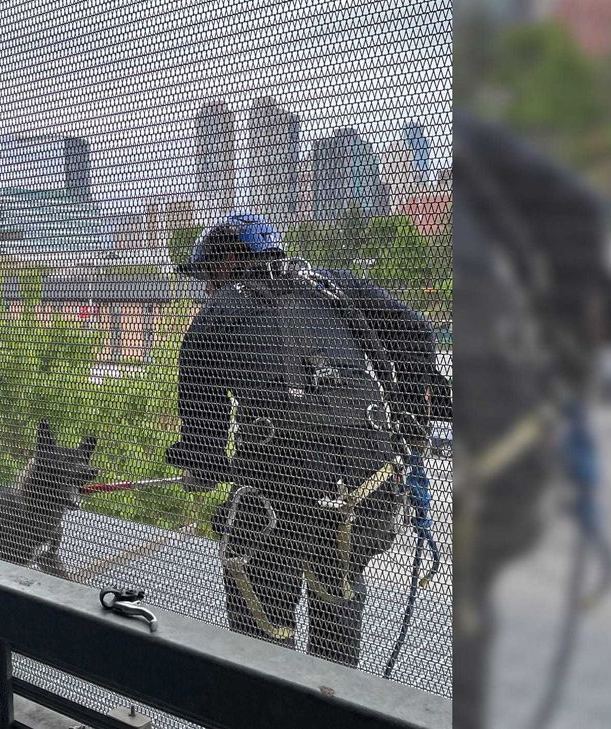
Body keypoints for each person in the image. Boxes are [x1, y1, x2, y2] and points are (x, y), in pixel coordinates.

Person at [165, 213, 450, 666]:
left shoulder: (214, 318)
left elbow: (205, 437)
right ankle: (332, 697)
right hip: (370, 484)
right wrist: (415, 407)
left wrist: (200, 470)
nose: (205, 288)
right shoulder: (334, 285)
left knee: (260, 621)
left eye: (207, 276)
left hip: (282, 491)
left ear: (231, 260)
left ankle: (268, 692)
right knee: (337, 595)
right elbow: (415, 329)